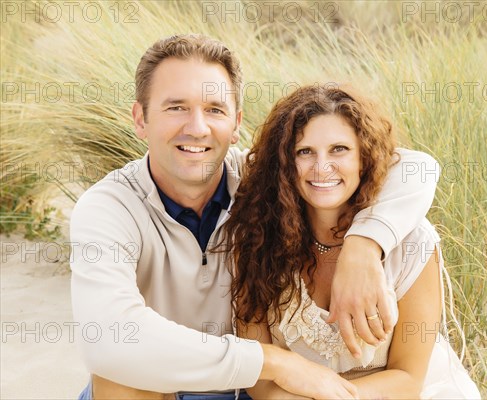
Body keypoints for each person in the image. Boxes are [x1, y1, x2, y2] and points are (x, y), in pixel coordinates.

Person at [70, 35, 440, 399]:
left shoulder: (266, 183)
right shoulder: (108, 208)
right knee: (118, 379)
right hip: (157, 387)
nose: (197, 127)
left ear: (236, 124)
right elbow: (108, 338)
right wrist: (272, 362)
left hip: (240, 392)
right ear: (140, 119)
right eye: (176, 107)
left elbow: (415, 167)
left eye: (214, 109)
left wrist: (363, 246)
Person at [225, 85, 482, 399]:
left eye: (339, 149)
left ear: (365, 156)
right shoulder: (256, 237)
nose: (322, 168)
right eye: (304, 152)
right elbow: (260, 376)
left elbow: (407, 379)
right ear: (285, 164)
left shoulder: (412, 242)